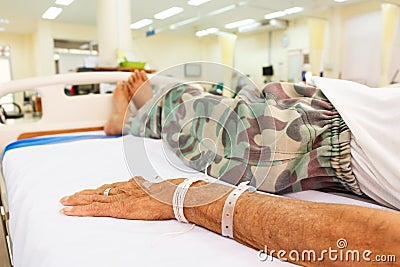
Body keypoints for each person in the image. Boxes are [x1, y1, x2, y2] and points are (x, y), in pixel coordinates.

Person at [60, 70, 399, 265]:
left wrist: (188, 198)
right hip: (344, 119)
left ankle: (141, 112)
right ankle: (146, 108)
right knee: (204, 117)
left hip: (337, 130)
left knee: (201, 119)